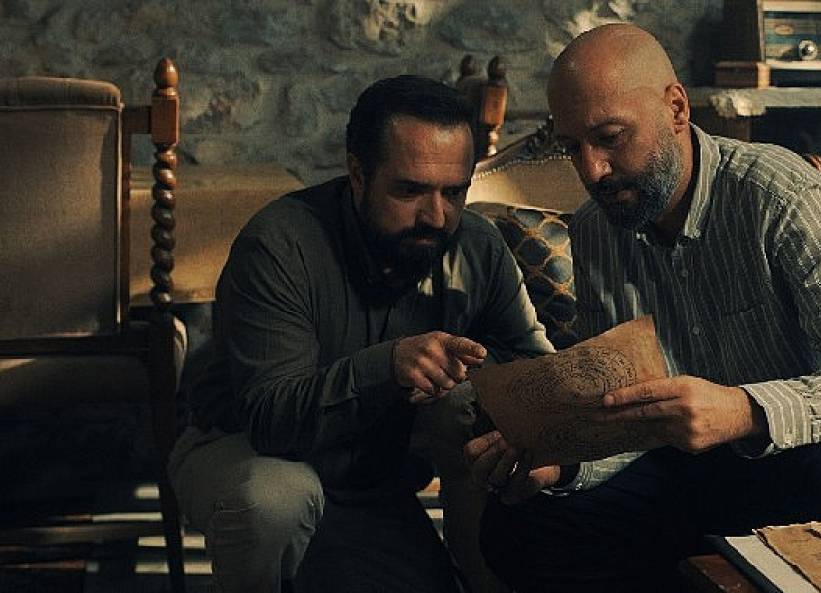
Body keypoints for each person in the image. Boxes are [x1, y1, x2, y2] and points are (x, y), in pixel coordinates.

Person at [465, 24, 821, 593]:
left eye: (610, 138)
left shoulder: (778, 193)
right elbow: (625, 422)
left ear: (676, 109)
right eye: (573, 147)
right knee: (516, 529)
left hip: (804, 455)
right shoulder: (596, 228)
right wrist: (564, 464)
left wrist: (746, 410)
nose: (592, 171)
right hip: (684, 469)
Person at [168, 75, 552, 593]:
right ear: (356, 174)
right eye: (409, 191)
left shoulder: (477, 247)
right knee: (275, 502)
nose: (436, 216)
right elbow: (270, 420)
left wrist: (478, 380)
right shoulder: (280, 244)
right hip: (249, 455)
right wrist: (388, 365)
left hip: (373, 484)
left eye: (454, 192)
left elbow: (536, 370)